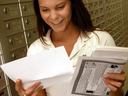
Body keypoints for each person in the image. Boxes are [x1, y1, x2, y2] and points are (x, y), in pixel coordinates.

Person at [15, 0, 126, 96]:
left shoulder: (102, 40)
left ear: (73, 4)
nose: (53, 16)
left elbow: (115, 94)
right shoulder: (36, 50)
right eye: (45, 10)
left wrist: (116, 90)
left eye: (60, 7)